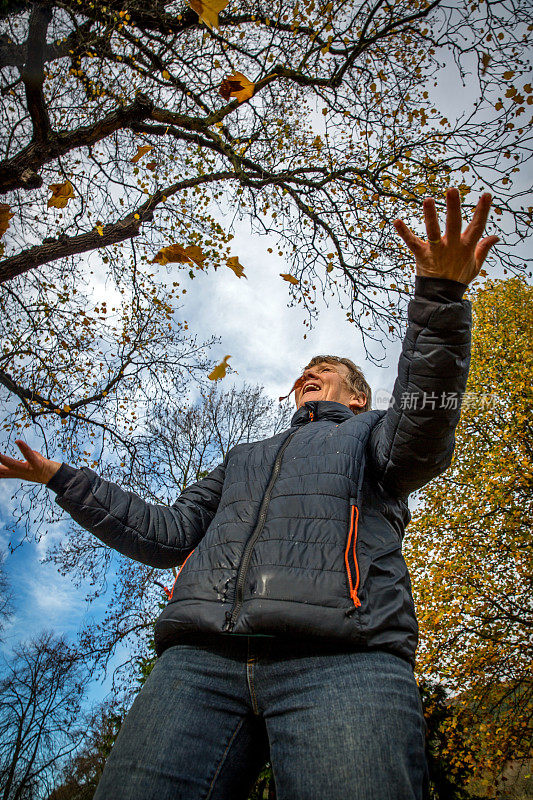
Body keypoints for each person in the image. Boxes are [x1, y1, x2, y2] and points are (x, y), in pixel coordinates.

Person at [0, 188, 498, 800]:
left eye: (326, 371)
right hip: (200, 663)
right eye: (303, 371)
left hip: (344, 657)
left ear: (358, 396)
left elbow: (426, 428)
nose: (308, 375)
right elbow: (166, 534)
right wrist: (64, 481)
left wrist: (440, 298)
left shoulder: (376, 434)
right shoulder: (243, 458)